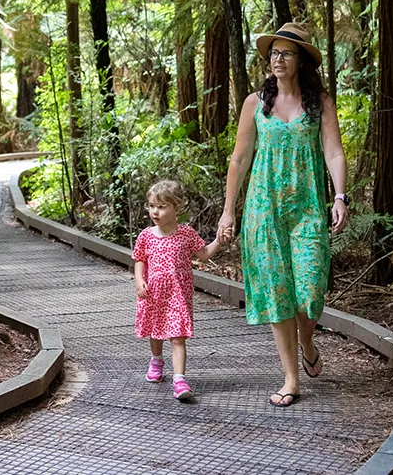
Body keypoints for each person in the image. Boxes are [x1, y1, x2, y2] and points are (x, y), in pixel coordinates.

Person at [216, 22, 350, 408]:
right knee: (277, 294)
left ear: (302, 60)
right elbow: (239, 160)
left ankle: (307, 338)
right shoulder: (255, 103)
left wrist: (340, 196)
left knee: (309, 292)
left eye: (286, 53)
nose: (278, 59)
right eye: (273, 52)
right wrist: (229, 212)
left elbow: (334, 152)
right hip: (264, 209)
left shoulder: (319, 102)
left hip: (307, 206)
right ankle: (291, 378)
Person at [133, 180, 227, 401]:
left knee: (177, 337)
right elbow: (139, 259)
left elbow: (203, 254)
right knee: (156, 331)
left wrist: (219, 241)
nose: (155, 211)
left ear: (177, 208)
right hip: (153, 293)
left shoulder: (186, 234)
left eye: (162, 206)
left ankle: (179, 380)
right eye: (152, 206)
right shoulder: (146, 235)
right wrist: (139, 280)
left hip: (177, 294)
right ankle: (156, 359)